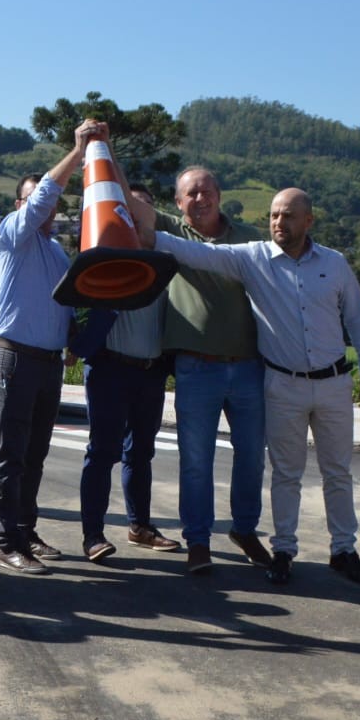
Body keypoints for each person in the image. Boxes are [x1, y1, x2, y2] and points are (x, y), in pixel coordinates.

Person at [130, 187, 360, 586]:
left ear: (308, 221)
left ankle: (343, 550)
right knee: (286, 473)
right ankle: (283, 550)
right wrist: (154, 237)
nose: (279, 223)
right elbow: (204, 254)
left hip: (334, 384)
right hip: (282, 383)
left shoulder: (334, 264)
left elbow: (359, 319)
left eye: (288, 216)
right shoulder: (254, 258)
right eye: (274, 216)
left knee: (337, 472)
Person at [0, 122, 99, 575]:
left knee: (34, 455)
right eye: (39, 200)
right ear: (22, 205)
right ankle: (6, 540)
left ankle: (25, 531)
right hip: (14, 358)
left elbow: (65, 304)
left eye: (54, 204)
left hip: (48, 363)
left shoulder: (55, 252)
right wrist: (78, 151)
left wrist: (73, 337)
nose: (50, 207)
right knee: (12, 453)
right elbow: (42, 196)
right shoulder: (13, 233)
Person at [154, 166, 268, 575]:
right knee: (196, 461)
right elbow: (131, 205)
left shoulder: (253, 238)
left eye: (206, 191)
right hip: (195, 369)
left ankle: (245, 530)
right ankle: (198, 541)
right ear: (178, 204)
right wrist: (100, 149)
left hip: (249, 367)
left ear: (220, 194)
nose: (200, 199)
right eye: (191, 194)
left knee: (253, 456)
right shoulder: (172, 234)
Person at [75, 183, 177, 562]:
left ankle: (140, 526)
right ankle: (93, 535)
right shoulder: (106, 261)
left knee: (142, 453)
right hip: (110, 368)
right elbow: (82, 314)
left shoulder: (167, 261)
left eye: (145, 209)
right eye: (130, 210)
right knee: (102, 452)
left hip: (151, 372)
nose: (138, 216)